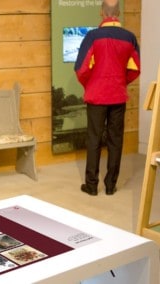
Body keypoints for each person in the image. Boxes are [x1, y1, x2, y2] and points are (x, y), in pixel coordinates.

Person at [74, 0, 140, 196]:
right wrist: (120, 82)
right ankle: (111, 185)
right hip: (118, 96)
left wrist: (91, 84)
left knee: (94, 139)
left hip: (96, 96)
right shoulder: (130, 38)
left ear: (101, 13)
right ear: (118, 13)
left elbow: (81, 69)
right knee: (115, 140)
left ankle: (91, 186)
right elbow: (135, 68)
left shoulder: (92, 36)